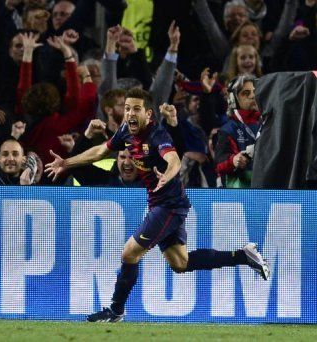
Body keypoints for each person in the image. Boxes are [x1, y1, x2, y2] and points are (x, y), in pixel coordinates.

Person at [45, 88, 270, 322]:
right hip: (161, 204)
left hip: (169, 206)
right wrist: (67, 162)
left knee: (130, 253)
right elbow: (101, 150)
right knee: (180, 263)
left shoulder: (156, 136)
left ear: (149, 114)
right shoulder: (126, 131)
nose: (130, 113)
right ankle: (244, 255)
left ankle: (116, 310)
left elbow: (173, 159)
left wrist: (168, 175)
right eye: (128, 108)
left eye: (136, 109)